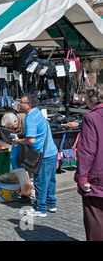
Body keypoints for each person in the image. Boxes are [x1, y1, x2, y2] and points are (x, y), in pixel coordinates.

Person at [13, 94, 58, 217]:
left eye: (21, 102)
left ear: (29, 106)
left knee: (40, 182)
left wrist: (18, 141)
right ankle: (51, 204)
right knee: (50, 180)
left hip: (44, 155)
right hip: (52, 152)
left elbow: (31, 140)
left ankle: (40, 208)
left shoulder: (30, 118)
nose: (18, 104)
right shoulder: (38, 112)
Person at [74, 83, 103, 241]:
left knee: (96, 222)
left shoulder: (91, 118)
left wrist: (82, 178)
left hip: (97, 178)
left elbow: (86, 151)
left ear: (92, 99)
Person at [1, 111, 33, 203]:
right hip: (24, 145)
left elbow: (29, 139)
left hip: (32, 148)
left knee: (30, 170)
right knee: (21, 168)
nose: (11, 129)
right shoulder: (17, 122)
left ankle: (29, 193)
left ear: (15, 121)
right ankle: (26, 191)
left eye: (10, 127)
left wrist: (18, 140)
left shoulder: (25, 121)